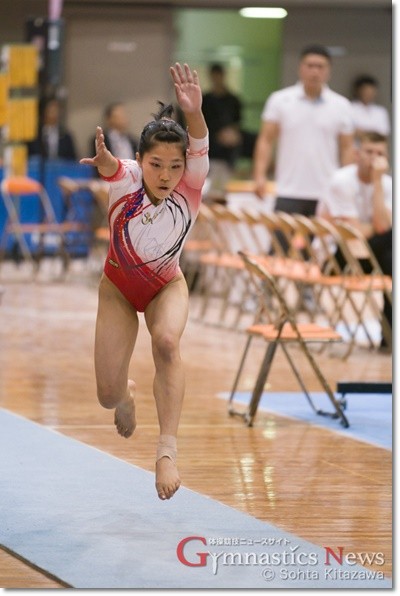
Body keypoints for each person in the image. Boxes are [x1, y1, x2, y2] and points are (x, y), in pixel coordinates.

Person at [80, 63, 209, 500]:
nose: (166, 174)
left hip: (166, 287)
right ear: (142, 161)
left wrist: (194, 113)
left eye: (175, 165)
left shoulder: (190, 186)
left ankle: (166, 451)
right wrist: (104, 162)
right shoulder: (128, 177)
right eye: (157, 164)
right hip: (118, 288)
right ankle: (126, 394)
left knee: (167, 342)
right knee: (106, 395)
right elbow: (113, 167)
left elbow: (201, 142)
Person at [253, 44, 355, 218]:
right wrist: (259, 175)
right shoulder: (280, 100)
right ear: (300, 68)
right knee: (281, 244)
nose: (314, 71)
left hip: (327, 191)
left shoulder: (341, 105)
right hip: (288, 189)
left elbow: (347, 148)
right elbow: (266, 140)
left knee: (323, 245)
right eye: (310, 66)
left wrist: (349, 183)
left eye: (320, 66)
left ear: (328, 71)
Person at [320, 131, 392, 351]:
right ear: (357, 154)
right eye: (369, 152)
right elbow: (355, 233)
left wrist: (377, 182)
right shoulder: (341, 180)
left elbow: (379, 228)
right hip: (336, 259)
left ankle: (388, 340)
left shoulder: (387, 184)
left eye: (380, 153)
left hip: (372, 254)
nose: (374, 158)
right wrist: (379, 229)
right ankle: (389, 339)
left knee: (393, 262)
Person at [201, 63, 242, 197]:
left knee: (222, 190)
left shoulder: (233, 100)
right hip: (209, 149)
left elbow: (237, 123)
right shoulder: (205, 100)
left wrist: (231, 135)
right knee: (208, 188)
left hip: (227, 153)